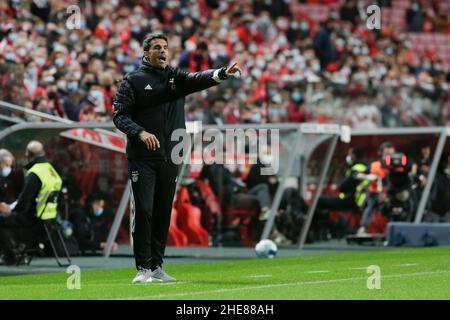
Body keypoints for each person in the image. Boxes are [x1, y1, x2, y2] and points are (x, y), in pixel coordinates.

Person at [113, 33, 242, 284]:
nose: (163, 51)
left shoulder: (175, 77)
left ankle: (157, 265)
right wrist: (139, 132)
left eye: (166, 48)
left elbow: (197, 79)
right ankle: (142, 268)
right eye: (158, 48)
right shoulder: (133, 81)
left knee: (163, 211)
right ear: (145, 52)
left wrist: (223, 73)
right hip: (143, 157)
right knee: (145, 210)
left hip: (171, 155)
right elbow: (119, 116)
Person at [0, 141, 62, 264]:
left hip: (35, 219)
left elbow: (23, 203)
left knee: (3, 219)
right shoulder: (52, 171)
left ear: (28, 154)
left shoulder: (35, 173)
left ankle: (11, 255)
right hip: (50, 218)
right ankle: (19, 250)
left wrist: (10, 210)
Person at [314, 147, 369, 237]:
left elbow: (346, 185)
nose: (349, 156)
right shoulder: (363, 165)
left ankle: (325, 228)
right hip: (357, 199)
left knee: (319, 201)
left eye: (350, 154)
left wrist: (342, 187)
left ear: (354, 155)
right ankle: (330, 226)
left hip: (353, 200)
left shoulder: (358, 167)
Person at [357, 142, 396, 235]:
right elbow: (358, 174)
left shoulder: (397, 166)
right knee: (371, 204)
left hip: (392, 194)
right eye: (387, 154)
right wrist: (367, 177)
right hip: (374, 194)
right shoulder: (374, 165)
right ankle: (363, 228)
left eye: (391, 154)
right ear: (381, 153)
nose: (389, 157)